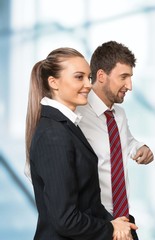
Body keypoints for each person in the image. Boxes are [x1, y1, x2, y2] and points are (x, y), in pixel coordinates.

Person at [25, 47, 137, 239]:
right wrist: (110, 228)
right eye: (79, 77)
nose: (88, 84)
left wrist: (116, 223)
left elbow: (87, 201)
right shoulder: (53, 134)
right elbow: (65, 219)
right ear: (53, 82)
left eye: (88, 77)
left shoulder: (68, 126)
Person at [77, 41, 154, 240]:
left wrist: (140, 147)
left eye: (130, 77)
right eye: (123, 77)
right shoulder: (77, 115)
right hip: (93, 223)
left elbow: (125, 141)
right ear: (101, 76)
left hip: (123, 219)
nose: (129, 86)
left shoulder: (118, 114)